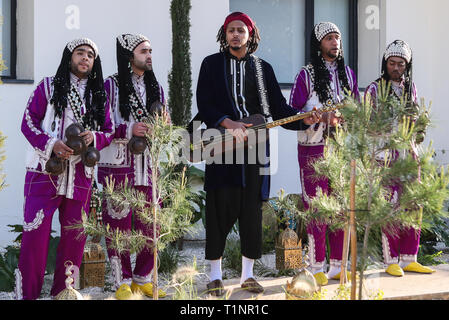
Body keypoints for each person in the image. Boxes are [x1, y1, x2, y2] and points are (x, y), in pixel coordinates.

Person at [196, 11, 312, 296]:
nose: (236, 34)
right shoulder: (211, 65)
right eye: (231, 30)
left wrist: (303, 119)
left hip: (256, 150)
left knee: (251, 211)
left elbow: (279, 109)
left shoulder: (263, 69)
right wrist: (228, 122)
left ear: (250, 34)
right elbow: (204, 102)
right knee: (218, 209)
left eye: (241, 30)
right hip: (221, 147)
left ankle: (247, 275)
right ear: (224, 35)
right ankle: (215, 276)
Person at [16, 38, 114, 300]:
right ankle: (28, 296)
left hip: (81, 176)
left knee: (74, 239)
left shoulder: (98, 96)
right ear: (69, 58)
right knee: (35, 238)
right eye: (80, 53)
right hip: (44, 171)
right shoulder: (48, 86)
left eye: (90, 55)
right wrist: (51, 144)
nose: (85, 58)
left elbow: (110, 130)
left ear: (94, 63)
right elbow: (28, 123)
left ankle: (63, 294)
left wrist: (94, 136)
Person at [289, 22, 360, 286]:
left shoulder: (349, 75)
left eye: (338, 38)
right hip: (312, 149)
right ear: (319, 43)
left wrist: (342, 118)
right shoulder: (305, 75)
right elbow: (291, 112)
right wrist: (315, 117)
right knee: (317, 208)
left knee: (341, 209)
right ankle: (315, 266)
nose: (335, 42)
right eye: (330, 38)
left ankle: (339, 266)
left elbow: (356, 112)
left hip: (341, 149)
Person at [97, 34, 167, 300]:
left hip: (147, 164)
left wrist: (163, 127)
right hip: (118, 164)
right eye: (143, 51)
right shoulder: (110, 86)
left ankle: (142, 278)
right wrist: (128, 128)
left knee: (152, 223)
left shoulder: (156, 88)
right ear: (129, 56)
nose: (149, 56)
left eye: (150, 51)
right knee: (119, 225)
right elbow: (101, 124)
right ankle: (122, 282)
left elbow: (162, 123)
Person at [365, 40, 434, 277]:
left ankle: (409, 258)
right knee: (390, 206)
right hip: (384, 154)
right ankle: (391, 260)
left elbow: (415, 119)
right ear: (385, 63)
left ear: (407, 65)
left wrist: (419, 125)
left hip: (409, 153)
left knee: (414, 202)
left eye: (401, 64)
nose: (396, 68)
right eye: (392, 63)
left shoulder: (410, 88)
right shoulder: (374, 89)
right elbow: (366, 124)